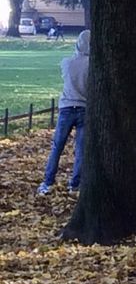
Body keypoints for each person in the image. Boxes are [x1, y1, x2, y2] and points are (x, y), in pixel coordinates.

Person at [37, 29, 90, 195]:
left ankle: (48, 182)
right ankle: (75, 184)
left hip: (67, 107)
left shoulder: (67, 62)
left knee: (57, 146)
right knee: (80, 149)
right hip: (84, 107)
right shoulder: (93, 64)